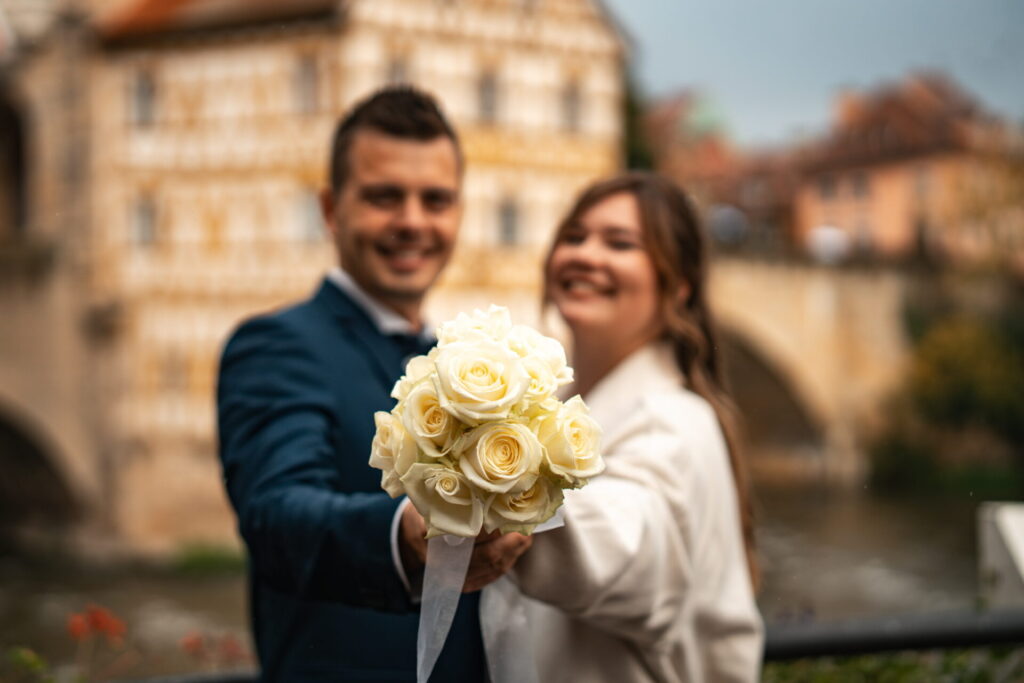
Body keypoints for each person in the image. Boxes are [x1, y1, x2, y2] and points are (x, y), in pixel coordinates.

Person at [216, 86, 530, 682]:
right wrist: (404, 535)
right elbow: (276, 513)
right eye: (385, 197)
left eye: (435, 200)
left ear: (458, 213)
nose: (413, 221)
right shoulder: (277, 344)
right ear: (332, 210)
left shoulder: (461, 361)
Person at [513, 172, 764, 682]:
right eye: (574, 236)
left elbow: (625, 548)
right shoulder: (558, 407)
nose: (586, 255)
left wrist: (486, 491)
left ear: (678, 285)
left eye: (620, 243)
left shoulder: (670, 422)